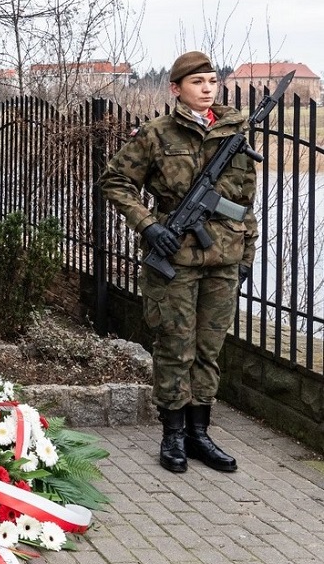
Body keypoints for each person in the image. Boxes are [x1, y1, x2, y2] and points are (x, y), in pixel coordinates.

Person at [98, 50, 255, 474]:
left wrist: (248, 254)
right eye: (197, 82)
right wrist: (148, 226)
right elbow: (114, 181)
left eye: (211, 81)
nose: (207, 88)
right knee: (174, 346)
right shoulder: (155, 133)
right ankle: (172, 435)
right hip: (175, 258)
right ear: (176, 89)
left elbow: (244, 201)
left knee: (208, 348)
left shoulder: (234, 132)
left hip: (224, 255)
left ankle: (199, 433)